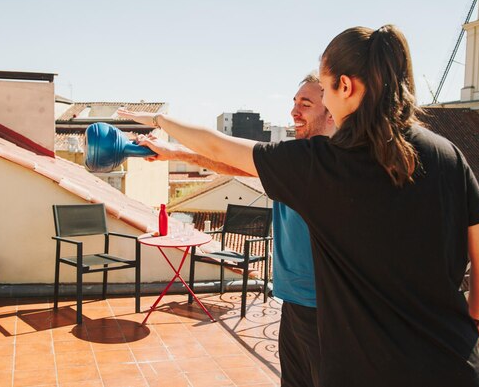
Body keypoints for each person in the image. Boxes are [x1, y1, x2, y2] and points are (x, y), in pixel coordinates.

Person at [118, 24, 479, 387]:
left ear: (346, 86)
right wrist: (475, 318)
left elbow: (220, 146)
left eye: (325, 90)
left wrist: (159, 118)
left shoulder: (323, 166)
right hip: (456, 364)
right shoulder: (448, 154)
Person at [136, 75, 334, 387]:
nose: (294, 112)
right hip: (294, 300)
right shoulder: (293, 158)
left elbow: (218, 144)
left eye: (305, 105)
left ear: (332, 111)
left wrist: (163, 125)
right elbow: (233, 164)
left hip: (323, 308)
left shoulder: (324, 163)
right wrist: (174, 153)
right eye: (294, 103)